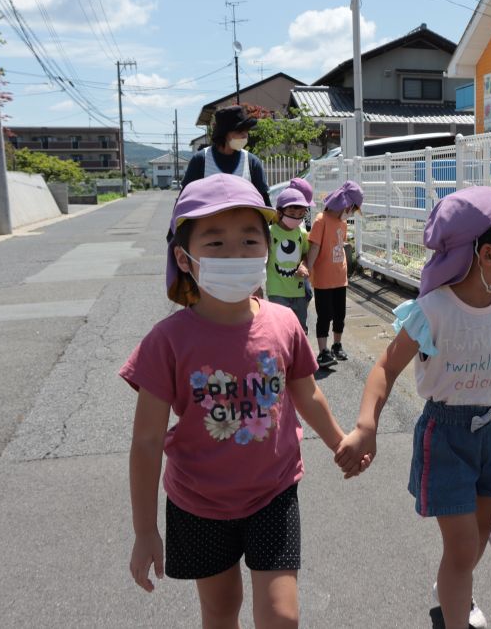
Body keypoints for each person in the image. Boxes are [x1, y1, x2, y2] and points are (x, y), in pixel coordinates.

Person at [121, 173, 368, 628]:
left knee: (281, 616)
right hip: (197, 502)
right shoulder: (167, 342)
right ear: (185, 257)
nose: (235, 253)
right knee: (220, 610)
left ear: (268, 246)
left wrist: (339, 441)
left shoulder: (283, 324)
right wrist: (143, 530)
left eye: (250, 239)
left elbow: (307, 392)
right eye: (215, 244)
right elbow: (146, 441)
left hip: (273, 492)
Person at [335, 186, 491, 629]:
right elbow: (384, 367)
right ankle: (456, 611)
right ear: (488, 253)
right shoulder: (432, 310)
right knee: (461, 546)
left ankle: (453, 590)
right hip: (447, 437)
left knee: (473, 543)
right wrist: (366, 424)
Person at [306, 180, 364, 369]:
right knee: (324, 315)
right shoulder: (321, 220)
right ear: (347, 204)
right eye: (353, 209)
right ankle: (323, 352)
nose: (352, 214)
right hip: (323, 279)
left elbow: (340, 245)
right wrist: (308, 268)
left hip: (340, 278)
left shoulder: (342, 223)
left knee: (340, 314)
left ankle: (337, 344)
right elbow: (314, 247)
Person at [181, 105, 270, 206]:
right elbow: (184, 200)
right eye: (239, 131)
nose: (245, 135)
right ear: (224, 133)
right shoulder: (201, 160)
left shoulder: (252, 162)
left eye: (246, 131)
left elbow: (264, 203)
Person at [266, 184, 313, 335]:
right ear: (279, 213)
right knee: (279, 330)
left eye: (301, 214)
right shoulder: (270, 232)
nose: (296, 218)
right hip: (276, 290)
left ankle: (298, 358)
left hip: (298, 290)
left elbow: (306, 253)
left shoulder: (302, 233)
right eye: (292, 213)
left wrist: (304, 265)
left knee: (299, 330)